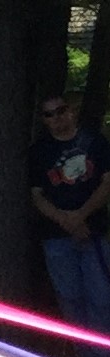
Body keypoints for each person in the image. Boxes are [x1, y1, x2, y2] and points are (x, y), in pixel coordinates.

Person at [27, 92, 110, 333]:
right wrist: (67, 221)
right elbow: (37, 196)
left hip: (94, 233)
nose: (57, 118)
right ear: (44, 119)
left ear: (71, 110)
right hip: (56, 238)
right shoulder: (39, 152)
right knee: (70, 300)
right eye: (49, 114)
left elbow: (107, 183)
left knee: (102, 300)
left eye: (60, 110)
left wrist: (80, 216)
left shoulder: (94, 141)